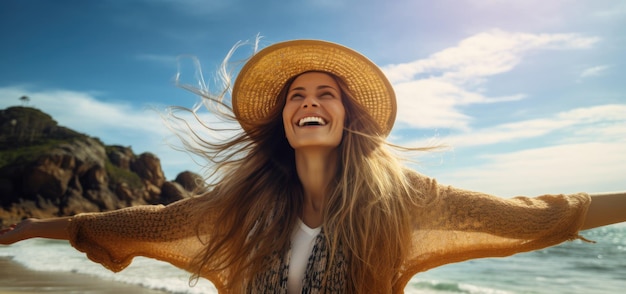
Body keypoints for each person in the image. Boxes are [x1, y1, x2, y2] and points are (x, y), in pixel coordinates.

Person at [1, 39, 625, 294]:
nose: (308, 102)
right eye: (296, 95)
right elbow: (147, 222)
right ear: (284, 121)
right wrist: (29, 231)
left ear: (346, 115)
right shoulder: (241, 205)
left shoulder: (402, 199)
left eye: (325, 93)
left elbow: (528, 217)